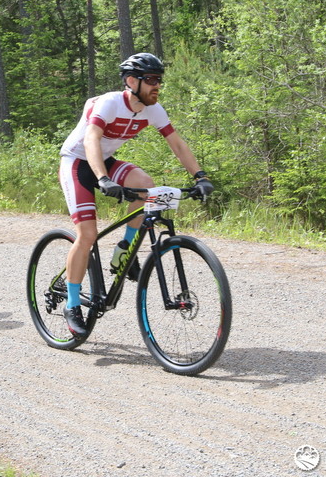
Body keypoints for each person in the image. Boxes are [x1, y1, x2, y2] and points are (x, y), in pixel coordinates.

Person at [58, 53, 213, 337]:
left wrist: (200, 176)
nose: (157, 86)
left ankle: (123, 250)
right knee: (88, 235)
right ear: (131, 81)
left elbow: (176, 144)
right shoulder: (109, 103)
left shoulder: (153, 110)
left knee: (145, 185)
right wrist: (103, 179)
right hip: (77, 161)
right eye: (151, 80)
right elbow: (91, 139)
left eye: (159, 80)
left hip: (104, 160)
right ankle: (71, 304)